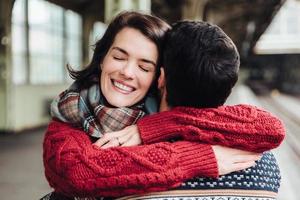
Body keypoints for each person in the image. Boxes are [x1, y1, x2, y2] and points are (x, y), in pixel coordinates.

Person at [42, 12, 284, 199]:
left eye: (144, 66)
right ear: (102, 58)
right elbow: (74, 172)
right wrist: (196, 158)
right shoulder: (70, 113)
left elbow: (269, 129)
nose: (127, 72)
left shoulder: (161, 115)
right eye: (118, 56)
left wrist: (156, 126)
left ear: (159, 78)